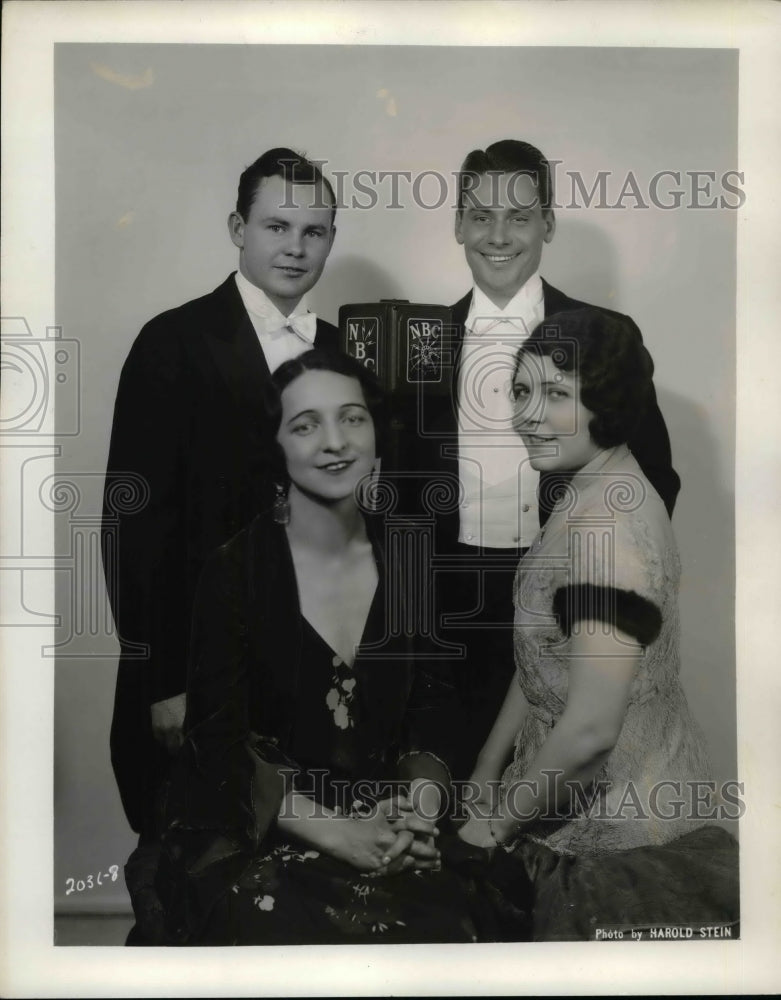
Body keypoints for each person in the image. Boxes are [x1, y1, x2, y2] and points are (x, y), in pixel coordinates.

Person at [155, 349, 482, 945]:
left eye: (352, 418)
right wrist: (340, 835)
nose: (335, 442)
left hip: (390, 820)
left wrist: (420, 811)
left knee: (461, 919)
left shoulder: (406, 557)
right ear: (274, 446)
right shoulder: (234, 570)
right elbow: (217, 744)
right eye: (305, 426)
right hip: (272, 830)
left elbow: (432, 711)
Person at [101, 148, 339, 937]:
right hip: (191, 666)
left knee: (290, 893)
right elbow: (133, 528)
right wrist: (161, 677)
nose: (295, 248)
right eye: (276, 225)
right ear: (239, 228)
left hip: (303, 664)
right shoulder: (172, 342)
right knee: (189, 880)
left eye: (314, 231)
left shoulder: (340, 351)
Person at [455, 308, 738, 940]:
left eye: (557, 394)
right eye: (522, 391)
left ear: (606, 402)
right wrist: (486, 765)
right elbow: (546, 657)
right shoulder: (598, 488)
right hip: (574, 804)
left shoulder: (606, 535)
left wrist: (494, 825)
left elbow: (589, 731)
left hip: (625, 842)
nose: (530, 414)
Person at [406, 138, 680, 778]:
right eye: (480, 216)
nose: (497, 236)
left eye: (519, 217)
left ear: (547, 225)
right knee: (450, 801)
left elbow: (654, 478)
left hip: (563, 601)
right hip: (445, 611)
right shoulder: (418, 344)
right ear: (457, 226)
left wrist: (588, 581)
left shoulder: (604, 332)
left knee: (556, 796)